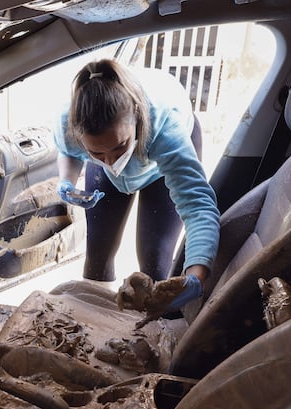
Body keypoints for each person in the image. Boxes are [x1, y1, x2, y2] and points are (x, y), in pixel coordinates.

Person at [54, 58, 220, 311]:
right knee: (97, 252)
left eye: (119, 146)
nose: (112, 161)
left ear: (137, 116)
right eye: (97, 153)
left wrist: (196, 276)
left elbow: (197, 207)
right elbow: (69, 152)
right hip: (108, 167)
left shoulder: (166, 130)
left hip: (157, 170)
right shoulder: (69, 121)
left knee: (154, 261)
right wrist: (66, 182)